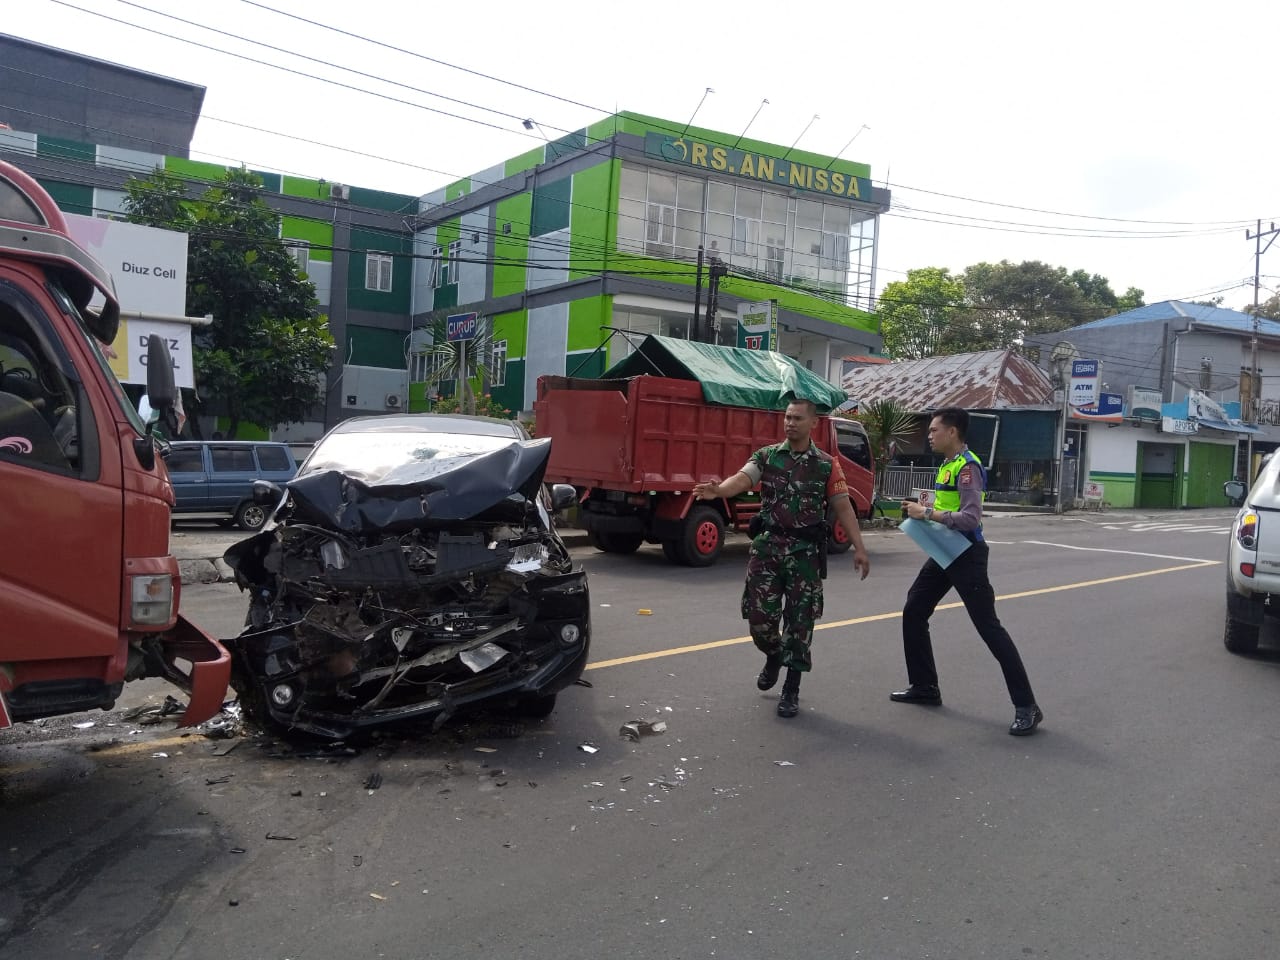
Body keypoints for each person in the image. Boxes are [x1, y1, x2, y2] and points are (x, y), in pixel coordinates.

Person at [694, 398, 871, 718]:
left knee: (800, 623)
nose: (790, 423)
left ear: (813, 423)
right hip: (767, 549)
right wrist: (720, 491)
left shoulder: (827, 464)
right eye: (787, 417)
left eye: (797, 418)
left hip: (804, 555)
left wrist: (859, 548)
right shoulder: (767, 456)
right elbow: (742, 478)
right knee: (759, 620)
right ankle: (773, 654)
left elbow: (843, 506)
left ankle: (792, 687)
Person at [895, 407, 1042, 736]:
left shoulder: (968, 467)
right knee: (914, 610)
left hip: (967, 555)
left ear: (952, 432)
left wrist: (927, 513)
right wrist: (918, 511)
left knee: (989, 628)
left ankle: (1027, 706)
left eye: (934, 430)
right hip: (944, 550)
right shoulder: (947, 464)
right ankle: (925, 687)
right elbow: (947, 508)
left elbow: (971, 519)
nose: (928, 435)